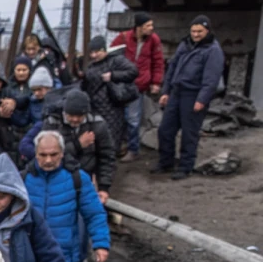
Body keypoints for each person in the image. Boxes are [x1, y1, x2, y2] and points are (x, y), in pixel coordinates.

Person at [24, 130, 111, 262]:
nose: (48, 160)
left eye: (53, 154)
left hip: (64, 258)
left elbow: (94, 213)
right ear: (35, 153)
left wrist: (101, 244)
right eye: (43, 155)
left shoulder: (77, 178)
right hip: (31, 258)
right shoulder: (23, 179)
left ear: (62, 153)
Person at [155, 15, 226, 180]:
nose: (195, 34)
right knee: (165, 129)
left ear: (207, 30)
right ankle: (166, 162)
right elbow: (172, 67)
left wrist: (202, 99)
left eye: (199, 31)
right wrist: (166, 91)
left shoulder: (213, 50)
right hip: (176, 92)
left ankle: (185, 167)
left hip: (193, 95)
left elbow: (211, 79)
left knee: (189, 133)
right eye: (193, 31)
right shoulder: (184, 44)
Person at [19, 90, 117, 202]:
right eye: (71, 115)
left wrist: (104, 187)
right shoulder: (52, 123)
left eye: (79, 116)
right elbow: (50, 155)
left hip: (86, 177)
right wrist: (78, 145)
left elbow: (107, 156)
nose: (75, 119)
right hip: (58, 178)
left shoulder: (98, 125)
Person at [111, 12, 164, 161]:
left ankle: (133, 149)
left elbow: (158, 62)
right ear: (139, 27)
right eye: (148, 25)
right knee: (118, 116)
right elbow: (111, 56)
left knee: (133, 119)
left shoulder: (153, 40)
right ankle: (118, 146)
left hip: (138, 85)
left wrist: (155, 82)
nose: (151, 28)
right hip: (121, 83)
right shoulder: (123, 38)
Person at [82, 36, 139, 164]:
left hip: (113, 109)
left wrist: (113, 75)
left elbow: (133, 71)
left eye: (97, 52)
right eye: (92, 52)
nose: (94, 55)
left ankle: (108, 173)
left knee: (110, 143)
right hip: (95, 109)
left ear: (104, 50)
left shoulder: (116, 60)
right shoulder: (91, 67)